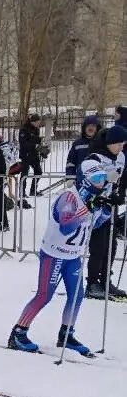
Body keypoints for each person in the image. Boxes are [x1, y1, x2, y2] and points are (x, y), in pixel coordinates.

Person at [7, 165, 112, 356]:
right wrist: (86, 209)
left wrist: (106, 209)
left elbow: (95, 224)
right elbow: (66, 226)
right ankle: (18, 333)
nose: (101, 183)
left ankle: (66, 335)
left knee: (77, 296)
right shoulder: (69, 197)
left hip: (73, 256)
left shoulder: (93, 198)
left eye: (103, 178)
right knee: (44, 295)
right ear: (86, 179)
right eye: (97, 179)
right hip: (54, 254)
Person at [81, 123, 127, 299]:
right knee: (98, 246)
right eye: (117, 143)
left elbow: (121, 178)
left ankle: (105, 280)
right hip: (95, 208)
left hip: (110, 208)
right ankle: (92, 283)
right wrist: (105, 190)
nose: (120, 147)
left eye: (123, 143)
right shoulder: (95, 157)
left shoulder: (121, 157)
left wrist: (119, 194)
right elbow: (93, 180)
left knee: (111, 245)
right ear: (109, 142)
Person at [19, 113, 43, 198]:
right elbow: (23, 143)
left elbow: (36, 140)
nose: (39, 124)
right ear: (33, 122)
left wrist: (41, 147)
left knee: (38, 172)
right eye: (37, 122)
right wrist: (34, 145)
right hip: (26, 154)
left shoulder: (36, 129)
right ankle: (22, 192)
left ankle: (33, 191)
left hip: (34, 154)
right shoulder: (24, 129)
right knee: (24, 174)